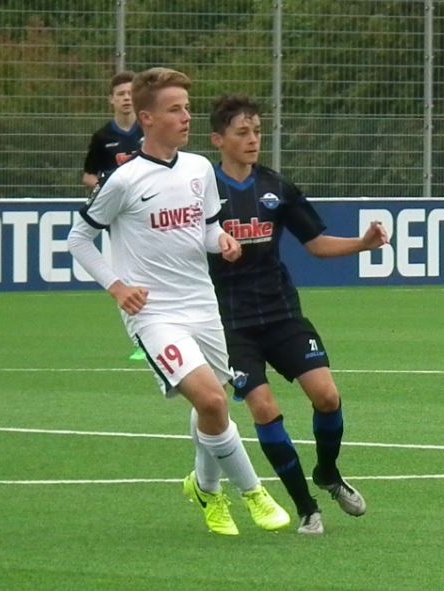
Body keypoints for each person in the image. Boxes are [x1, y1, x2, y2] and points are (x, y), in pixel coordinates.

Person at [68, 67, 290, 536]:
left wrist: (222, 239)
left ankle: (205, 488)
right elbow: (79, 239)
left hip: (203, 304)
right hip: (154, 313)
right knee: (210, 398)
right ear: (147, 118)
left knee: (214, 406)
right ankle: (253, 492)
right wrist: (117, 287)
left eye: (187, 108)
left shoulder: (198, 169)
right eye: (175, 109)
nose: (186, 116)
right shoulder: (124, 180)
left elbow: (206, 227)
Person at [207, 94, 388, 534]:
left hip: (282, 312)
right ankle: (307, 507)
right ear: (218, 140)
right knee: (264, 407)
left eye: (257, 131)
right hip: (230, 324)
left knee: (326, 396)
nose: (253, 139)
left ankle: (327, 472)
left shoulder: (276, 187)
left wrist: (362, 244)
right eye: (242, 132)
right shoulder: (201, 190)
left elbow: (317, 244)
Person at [80, 71, 146, 361]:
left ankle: (158, 333)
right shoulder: (103, 137)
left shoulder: (149, 130)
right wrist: (108, 189)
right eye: (121, 94)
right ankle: (140, 339)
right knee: (128, 274)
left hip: (148, 212)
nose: (126, 98)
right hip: (117, 217)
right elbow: (88, 176)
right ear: (112, 100)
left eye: (131, 93)